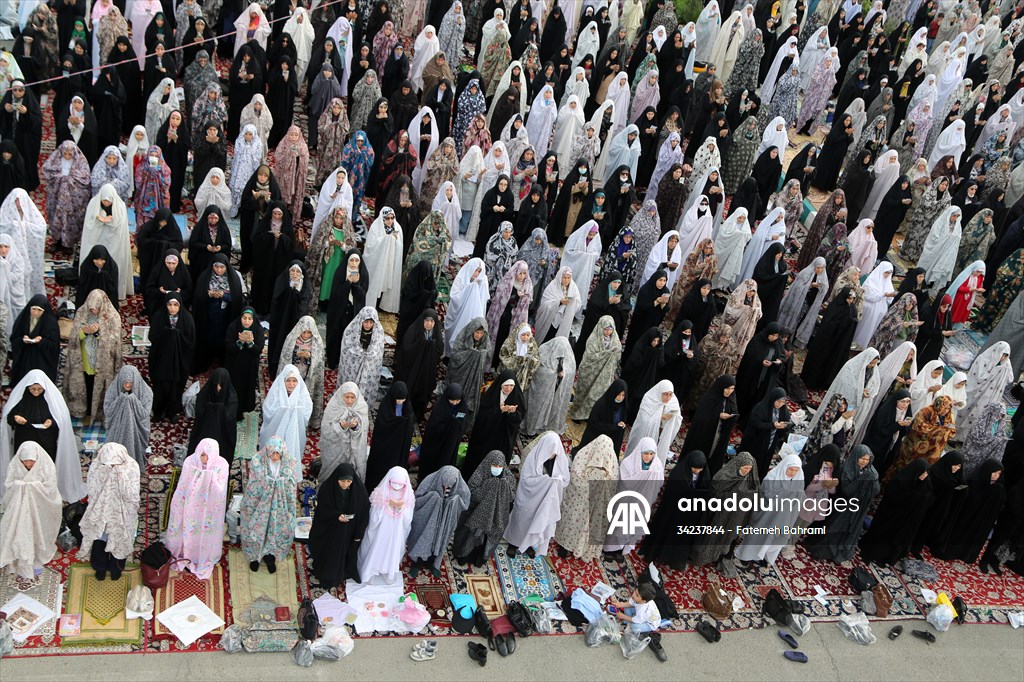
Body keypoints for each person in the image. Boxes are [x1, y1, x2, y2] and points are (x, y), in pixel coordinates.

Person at [165, 438, 229, 579]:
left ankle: (201, 556)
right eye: (201, 454)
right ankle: (184, 553)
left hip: (210, 506)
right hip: (189, 502)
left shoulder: (222, 464)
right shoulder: (190, 461)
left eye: (206, 455)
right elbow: (184, 485)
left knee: (204, 530)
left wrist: (206, 475)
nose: (204, 458)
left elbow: (220, 490)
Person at [805, 445, 880, 563]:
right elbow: (847, 490)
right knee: (833, 529)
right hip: (841, 506)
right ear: (856, 457)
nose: (864, 462)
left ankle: (837, 554)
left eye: (867, 459)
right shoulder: (847, 468)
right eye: (862, 459)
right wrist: (863, 480)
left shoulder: (870, 472)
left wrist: (873, 479)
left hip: (857, 508)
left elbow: (875, 491)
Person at [77, 442, 140, 581]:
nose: (111, 467)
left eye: (114, 465)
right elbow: (92, 489)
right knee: (100, 539)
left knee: (120, 540)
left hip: (123, 511)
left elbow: (133, 494)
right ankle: (99, 567)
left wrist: (121, 476)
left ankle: (115, 569)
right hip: (101, 510)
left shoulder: (131, 466)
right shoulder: (97, 466)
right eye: (109, 465)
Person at [0, 443, 62, 580]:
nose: (28, 464)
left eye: (31, 461)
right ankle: (21, 559)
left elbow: (50, 488)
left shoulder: (47, 466)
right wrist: (20, 486)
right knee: (20, 532)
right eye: (25, 461)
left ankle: (36, 556)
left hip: (41, 508)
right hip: (20, 508)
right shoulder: (14, 466)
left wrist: (30, 487)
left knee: (38, 532)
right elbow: (9, 485)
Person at [504, 431, 571, 557]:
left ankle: (529, 544)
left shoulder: (559, 460)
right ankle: (513, 542)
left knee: (536, 520)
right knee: (521, 518)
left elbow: (564, 480)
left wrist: (554, 482)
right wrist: (547, 481)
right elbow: (526, 480)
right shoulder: (533, 458)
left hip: (544, 500)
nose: (553, 454)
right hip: (528, 497)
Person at [555, 435, 619, 560]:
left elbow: (611, 486)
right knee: (572, 521)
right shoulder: (582, 456)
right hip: (578, 501)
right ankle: (564, 545)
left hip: (596, 506)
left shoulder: (612, 465)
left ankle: (581, 547)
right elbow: (576, 478)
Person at [690, 452, 760, 568]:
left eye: (750, 469)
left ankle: (716, 556)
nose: (748, 471)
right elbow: (715, 491)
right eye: (745, 468)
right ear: (738, 465)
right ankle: (700, 557)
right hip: (718, 515)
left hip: (734, 518)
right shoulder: (724, 476)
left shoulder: (751, 482)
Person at [859, 459, 933, 566]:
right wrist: (912, 497)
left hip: (905, 520)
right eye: (922, 472)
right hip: (891, 516)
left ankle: (888, 556)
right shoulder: (901, 480)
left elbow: (928, 498)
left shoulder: (925, 484)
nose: (924, 475)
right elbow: (893, 497)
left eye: (926, 473)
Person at [310, 463, 371, 588]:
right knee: (330, 552)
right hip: (331, 528)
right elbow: (322, 510)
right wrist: (336, 515)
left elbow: (364, 511)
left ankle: (339, 574)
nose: (345, 484)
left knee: (343, 553)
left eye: (348, 481)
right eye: (342, 481)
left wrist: (358, 533)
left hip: (349, 530)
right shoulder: (327, 488)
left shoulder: (359, 491)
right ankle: (327, 575)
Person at [64, 289, 122, 421]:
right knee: (87, 384)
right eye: (91, 308)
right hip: (85, 360)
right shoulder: (81, 312)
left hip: (102, 362)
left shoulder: (112, 316)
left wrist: (97, 334)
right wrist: (83, 332)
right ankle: (85, 411)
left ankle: (99, 414)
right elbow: (73, 338)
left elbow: (114, 341)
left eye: (96, 308)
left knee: (100, 387)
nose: (93, 311)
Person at [242, 438, 297, 573]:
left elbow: (292, 484)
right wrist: (267, 483)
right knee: (257, 529)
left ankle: (269, 556)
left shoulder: (288, 463)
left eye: (278, 453)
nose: (275, 456)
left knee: (275, 529)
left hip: (279, 504)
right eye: (272, 453)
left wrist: (281, 484)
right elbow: (253, 484)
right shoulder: (258, 462)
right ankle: (255, 557)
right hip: (260, 504)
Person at [604, 437, 666, 555]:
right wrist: (644, 475)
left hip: (643, 502)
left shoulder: (657, 466)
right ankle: (611, 549)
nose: (648, 457)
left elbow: (659, 483)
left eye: (651, 454)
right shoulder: (628, 463)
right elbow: (625, 483)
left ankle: (623, 548)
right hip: (627, 501)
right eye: (645, 454)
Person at [357, 466, 416, 585]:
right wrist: (386, 504)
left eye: (401, 485)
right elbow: (373, 517)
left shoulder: (408, 495)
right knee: (376, 547)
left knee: (393, 549)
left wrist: (401, 508)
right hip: (381, 529)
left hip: (397, 530)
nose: (397, 487)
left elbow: (408, 519)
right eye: (394, 484)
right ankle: (370, 572)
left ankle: (388, 571)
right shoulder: (380, 492)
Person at [407, 466, 471, 576]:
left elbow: (465, 504)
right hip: (427, 519)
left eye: (449, 487)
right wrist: (433, 497)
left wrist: (454, 501)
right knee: (423, 538)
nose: (446, 488)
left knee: (439, 540)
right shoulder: (430, 480)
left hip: (445, 521)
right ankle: (417, 562)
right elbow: (417, 498)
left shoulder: (462, 488)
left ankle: (432, 563)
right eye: (443, 485)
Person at [260, 365, 313, 480]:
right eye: (288, 381)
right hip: (276, 429)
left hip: (294, 431)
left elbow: (307, 411)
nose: (291, 384)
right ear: (283, 381)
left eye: (294, 381)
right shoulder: (276, 391)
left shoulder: (302, 394)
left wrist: (296, 411)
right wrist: (282, 410)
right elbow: (268, 410)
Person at [192, 254, 243, 373]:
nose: (219, 270)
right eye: (217, 267)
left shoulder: (233, 278)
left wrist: (224, 295)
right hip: (208, 317)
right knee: (209, 339)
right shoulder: (205, 277)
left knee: (222, 340)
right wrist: (208, 294)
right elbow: (197, 296)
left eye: (222, 267)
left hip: (225, 318)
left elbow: (237, 298)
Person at [149, 293, 195, 421]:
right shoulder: (159, 317)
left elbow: (190, 341)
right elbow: (152, 337)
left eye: (175, 305)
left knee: (175, 387)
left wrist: (177, 336)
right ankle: (158, 411)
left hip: (178, 361)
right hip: (161, 359)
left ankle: (172, 411)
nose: (172, 308)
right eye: (169, 304)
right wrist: (166, 334)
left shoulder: (187, 319)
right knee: (160, 386)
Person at [569, 317, 623, 421]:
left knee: (596, 396)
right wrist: (607, 353)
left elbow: (618, 354)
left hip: (604, 374)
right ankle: (577, 415)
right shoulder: (593, 339)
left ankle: (588, 415)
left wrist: (613, 352)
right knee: (584, 393)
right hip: (590, 371)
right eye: (606, 329)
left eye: (610, 329)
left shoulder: (614, 340)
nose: (608, 332)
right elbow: (590, 356)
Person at [524, 336, 577, 436]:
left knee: (552, 409)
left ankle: (546, 427)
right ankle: (532, 429)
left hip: (557, 390)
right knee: (537, 410)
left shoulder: (569, 357)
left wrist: (563, 374)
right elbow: (538, 370)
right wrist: (553, 374)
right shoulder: (544, 350)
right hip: (541, 392)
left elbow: (570, 371)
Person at [394, 310, 444, 417]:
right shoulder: (413, 331)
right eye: (426, 320)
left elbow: (439, 350)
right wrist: (422, 344)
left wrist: (431, 346)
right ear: (422, 321)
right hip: (411, 369)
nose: (429, 324)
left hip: (425, 371)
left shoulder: (436, 335)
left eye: (432, 321)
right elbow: (407, 348)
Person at [103, 365, 153, 468]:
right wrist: (121, 400)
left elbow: (144, 414)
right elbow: (108, 411)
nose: (127, 385)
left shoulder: (146, 392)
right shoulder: (112, 390)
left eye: (130, 382)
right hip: (117, 427)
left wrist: (132, 400)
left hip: (137, 429)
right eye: (125, 382)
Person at [187, 369, 238, 466]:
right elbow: (199, 412)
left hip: (222, 434)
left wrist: (216, 409)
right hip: (204, 431)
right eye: (216, 385)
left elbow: (230, 416)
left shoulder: (231, 397)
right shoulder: (205, 393)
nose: (218, 388)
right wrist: (214, 409)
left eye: (221, 385)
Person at [339, 307, 386, 410]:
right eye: (366, 322)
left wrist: (369, 355)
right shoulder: (351, 331)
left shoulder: (378, 333)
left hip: (368, 367)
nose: (368, 325)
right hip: (353, 368)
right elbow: (346, 350)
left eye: (371, 322)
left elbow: (378, 351)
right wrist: (358, 354)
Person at [626, 380, 683, 465]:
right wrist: (661, 417)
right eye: (665, 394)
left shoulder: (673, 401)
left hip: (660, 434)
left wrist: (673, 416)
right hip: (643, 434)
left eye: (670, 394)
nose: (668, 397)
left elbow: (678, 416)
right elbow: (644, 420)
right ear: (660, 392)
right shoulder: (649, 398)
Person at [740, 388, 791, 479]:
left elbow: (786, 422)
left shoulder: (783, 410)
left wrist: (784, 426)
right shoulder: (761, 408)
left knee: (763, 462)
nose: (780, 404)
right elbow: (756, 424)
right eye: (778, 401)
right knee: (752, 461)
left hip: (770, 441)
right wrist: (772, 425)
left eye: (782, 402)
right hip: (757, 441)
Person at [9, 294, 60, 384]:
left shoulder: (51, 323)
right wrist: (22, 340)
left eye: (39, 310)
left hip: (41, 360)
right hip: (24, 358)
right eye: (34, 309)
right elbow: (14, 339)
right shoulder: (23, 319)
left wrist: (42, 341)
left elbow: (54, 345)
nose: (36, 313)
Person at [224, 307, 266, 417]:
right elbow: (229, 348)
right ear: (240, 318)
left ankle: (244, 408)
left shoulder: (258, 329)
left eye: (250, 319)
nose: (246, 321)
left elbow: (258, 350)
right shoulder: (233, 327)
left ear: (253, 319)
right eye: (244, 318)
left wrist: (251, 343)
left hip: (250, 365)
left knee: (247, 386)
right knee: (234, 385)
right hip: (234, 364)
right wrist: (240, 342)